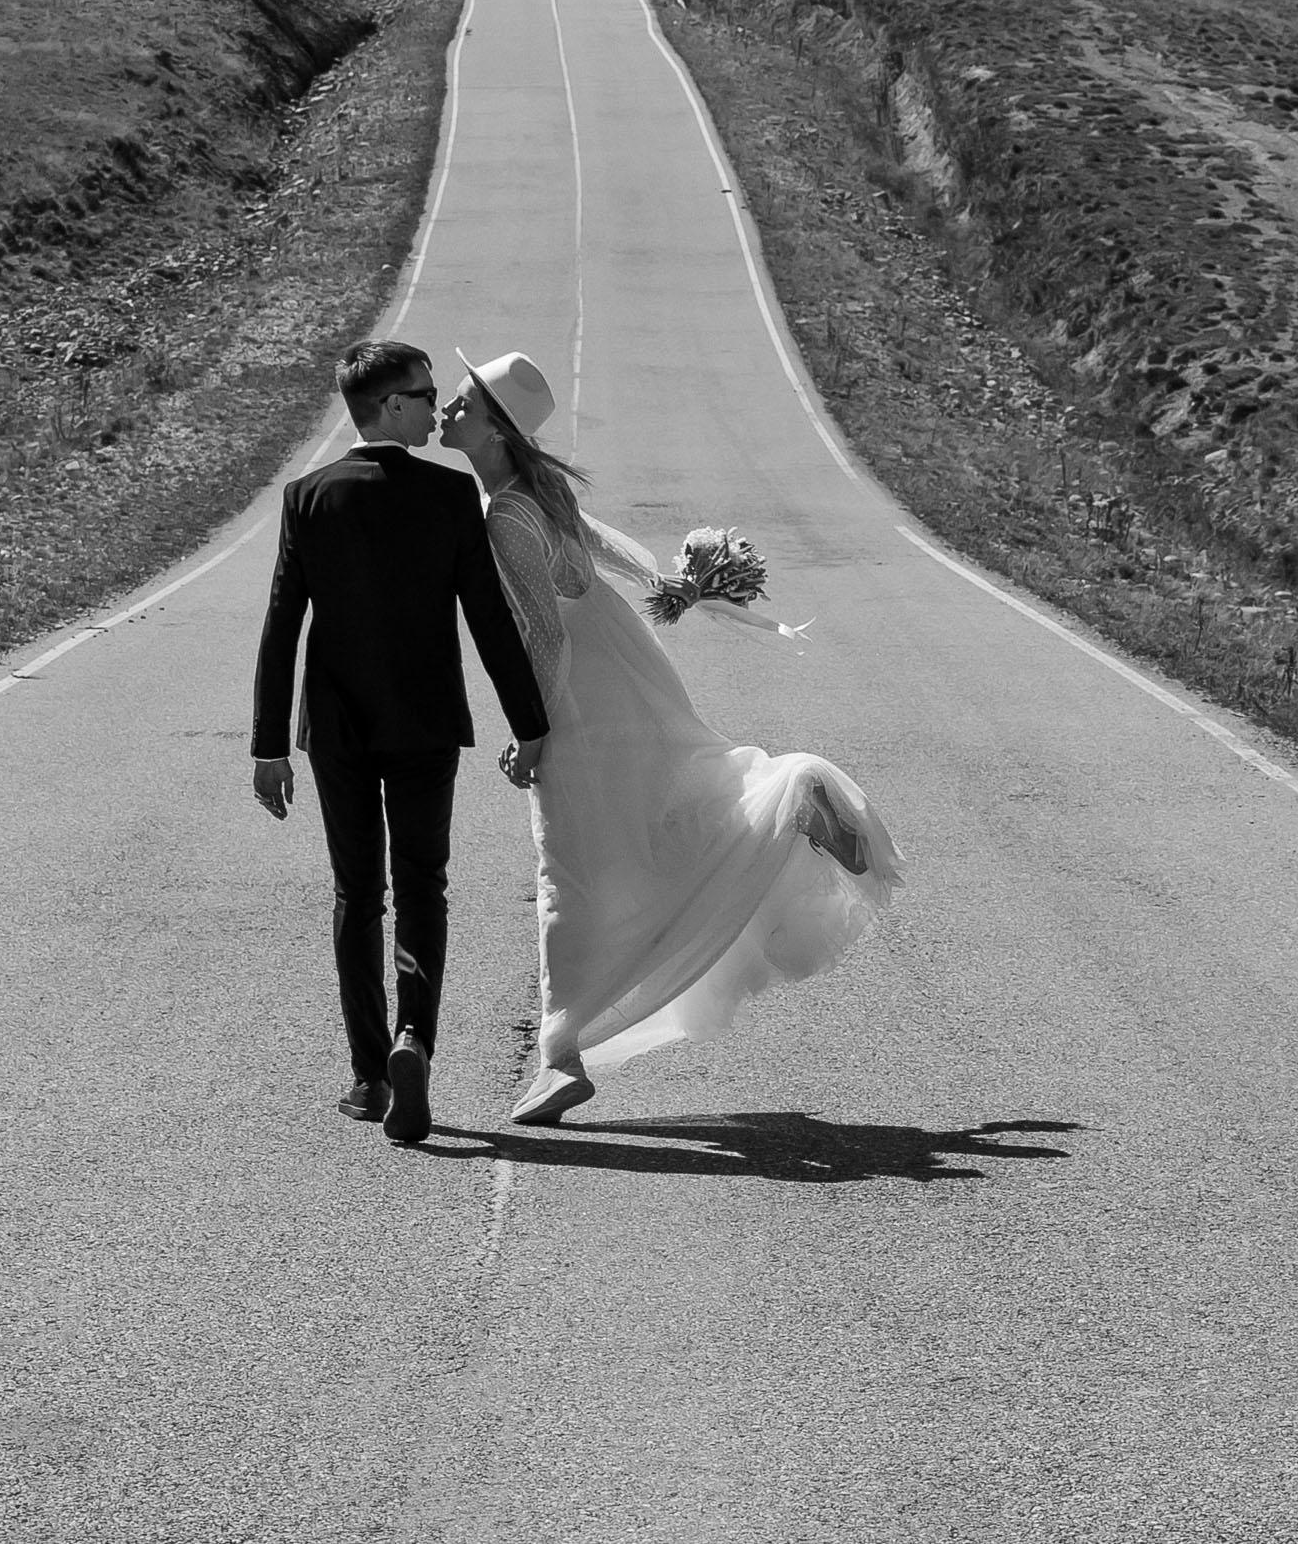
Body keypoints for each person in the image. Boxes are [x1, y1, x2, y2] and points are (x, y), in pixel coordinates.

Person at [440, 348, 903, 1128]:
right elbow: (615, 554)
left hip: (580, 692)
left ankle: (559, 1060)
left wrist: (534, 733)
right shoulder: (537, 493)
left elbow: (543, 636)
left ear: (496, 432)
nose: (447, 414)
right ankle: (785, 804)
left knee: (574, 867)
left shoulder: (504, 515)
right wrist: (670, 589)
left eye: (461, 405)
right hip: (621, 664)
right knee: (657, 813)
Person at [249, 336, 549, 1148]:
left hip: (337, 731)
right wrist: (530, 722)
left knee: (356, 894)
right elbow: (487, 619)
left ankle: (368, 1075)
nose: (433, 407)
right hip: (424, 725)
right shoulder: (449, 497)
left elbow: (283, 625)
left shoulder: (307, 496)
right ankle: (414, 1036)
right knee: (423, 888)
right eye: (422, 395)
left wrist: (268, 744)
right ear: (387, 406)